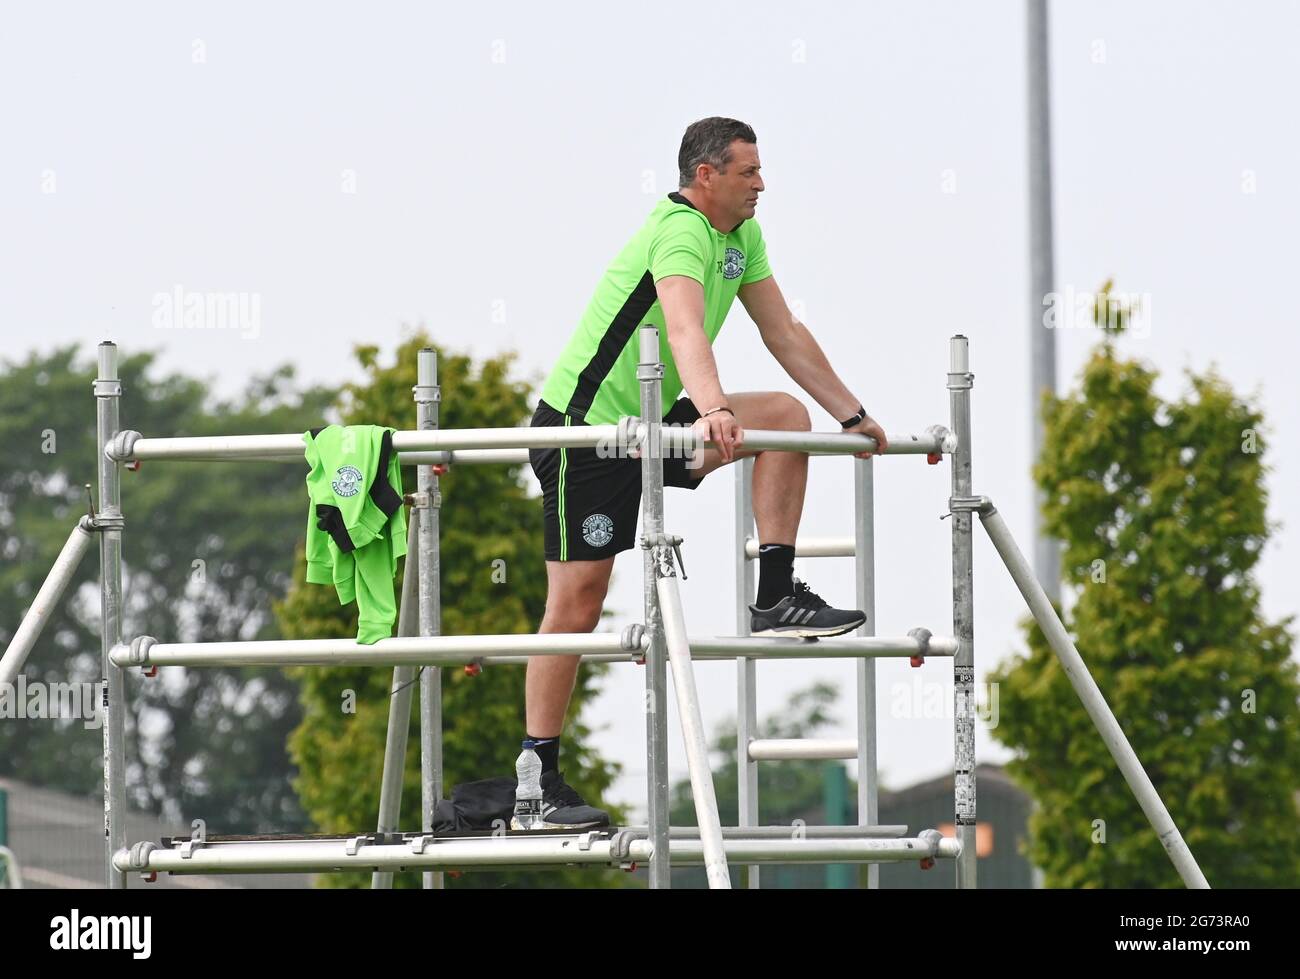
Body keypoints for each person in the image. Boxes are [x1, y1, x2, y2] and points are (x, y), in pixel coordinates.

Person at [520, 117, 889, 829]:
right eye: (749, 171)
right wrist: (714, 407)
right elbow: (685, 327)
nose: (762, 183)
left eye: (761, 169)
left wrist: (851, 413)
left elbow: (782, 330)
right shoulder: (681, 231)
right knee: (578, 600)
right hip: (587, 431)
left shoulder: (741, 237)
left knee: (785, 416)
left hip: (656, 423)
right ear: (706, 176)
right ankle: (537, 781)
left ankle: (776, 593)